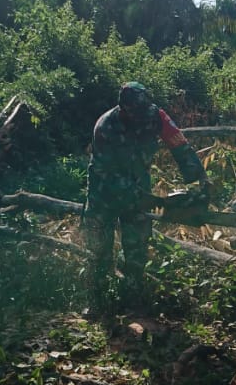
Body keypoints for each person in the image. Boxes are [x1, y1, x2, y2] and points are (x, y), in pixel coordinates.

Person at [83, 81, 210, 309]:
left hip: (139, 185)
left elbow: (179, 144)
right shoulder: (105, 127)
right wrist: (148, 199)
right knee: (99, 249)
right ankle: (98, 302)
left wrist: (199, 179)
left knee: (137, 245)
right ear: (125, 109)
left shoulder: (156, 115)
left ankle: (132, 299)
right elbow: (106, 172)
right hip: (104, 193)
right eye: (136, 114)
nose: (142, 117)